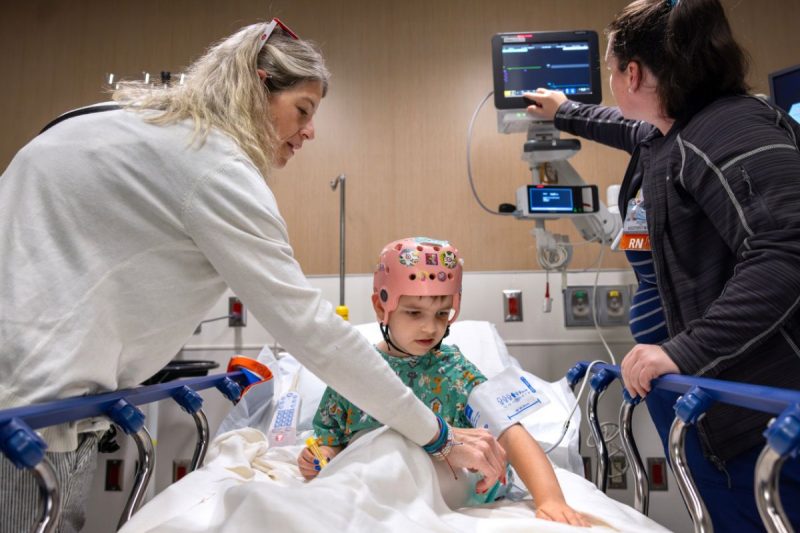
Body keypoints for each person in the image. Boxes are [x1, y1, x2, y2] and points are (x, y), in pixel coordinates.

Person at [0, 21, 505, 532]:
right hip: (27, 410)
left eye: (442, 311)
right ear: (254, 85)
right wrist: (438, 435)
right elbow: (311, 330)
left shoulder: (103, 122)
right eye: (302, 111)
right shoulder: (214, 167)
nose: (310, 131)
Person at [524, 0, 800, 530]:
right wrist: (563, 110)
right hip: (708, 399)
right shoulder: (669, 131)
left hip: (757, 411)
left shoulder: (734, 130)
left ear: (632, 72)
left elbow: (786, 250)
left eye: (609, 69)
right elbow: (623, 126)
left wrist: (684, 350)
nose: (609, 82)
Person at [297, 238, 588, 526]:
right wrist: (319, 456)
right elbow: (330, 440)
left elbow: (510, 433)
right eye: (414, 313)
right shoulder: (358, 373)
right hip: (376, 487)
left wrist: (550, 499)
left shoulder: (456, 373)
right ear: (380, 306)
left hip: (443, 487)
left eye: (442, 314)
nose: (431, 327)